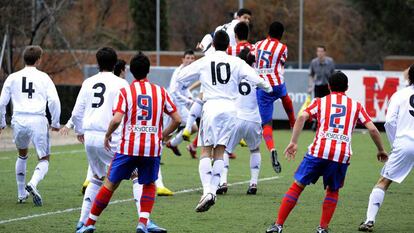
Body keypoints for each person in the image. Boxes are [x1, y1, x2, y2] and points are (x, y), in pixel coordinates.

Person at [266, 71, 388, 233]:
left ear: (329, 87)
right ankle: (322, 228)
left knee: (298, 186)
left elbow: (302, 117)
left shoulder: (321, 102)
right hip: (341, 154)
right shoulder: (356, 105)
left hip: (319, 151)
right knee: (332, 190)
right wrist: (381, 149)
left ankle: (278, 225)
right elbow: (372, 129)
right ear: (347, 87)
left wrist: (294, 142)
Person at [77, 52, 181, 233]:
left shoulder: (126, 92)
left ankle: (90, 223)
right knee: (148, 184)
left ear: (131, 71)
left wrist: (108, 134)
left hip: (128, 146)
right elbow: (177, 119)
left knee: (109, 183)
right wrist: (163, 134)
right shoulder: (161, 92)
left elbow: (117, 119)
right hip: (151, 147)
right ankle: (143, 222)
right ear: (148, 71)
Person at [176, 30, 272, 212]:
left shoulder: (205, 61)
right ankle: (212, 190)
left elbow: (182, 76)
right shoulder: (236, 61)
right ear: (228, 46)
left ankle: (207, 191)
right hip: (230, 110)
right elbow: (256, 78)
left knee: (206, 150)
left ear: (213, 45)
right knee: (220, 152)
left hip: (211, 107)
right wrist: (267, 87)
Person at [0, 45, 61, 206]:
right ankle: (32, 183)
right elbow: (54, 101)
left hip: (18, 119)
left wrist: (1, 123)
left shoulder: (12, 77)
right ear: (39, 60)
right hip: (37, 120)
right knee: (44, 158)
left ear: (24, 59)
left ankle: (21, 194)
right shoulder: (44, 77)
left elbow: (1, 102)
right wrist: (55, 122)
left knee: (22, 154)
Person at [358, 64, 414, 232]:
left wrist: (394, 144)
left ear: (409, 77)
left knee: (383, 182)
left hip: (405, 144)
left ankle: (369, 221)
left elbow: (390, 122)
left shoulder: (400, 95)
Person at [218, 47, 263, 195]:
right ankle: (253, 183)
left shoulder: (234, 73)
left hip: (236, 117)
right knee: (255, 149)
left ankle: (223, 181)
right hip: (254, 118)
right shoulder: (258, 75)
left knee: (224, 150)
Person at [254, 21, 296, 174]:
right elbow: (281, 62)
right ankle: (293, 123)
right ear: (281, 34)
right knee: (286, 99)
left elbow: (251, 57)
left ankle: (271, 148)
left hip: (262, 86)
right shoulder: (283, 48)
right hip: (277, 83)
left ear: (268, 32)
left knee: (267, 123)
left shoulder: (258, 44)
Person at [165, 49, 198, 159]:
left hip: (178, 104)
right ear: (183, 59)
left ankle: (172, 144)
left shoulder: (189, 71)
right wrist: (189, 101)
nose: (190, 60)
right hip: (173, 104)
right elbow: (174, 91)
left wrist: (189, 96)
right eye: (187, 58)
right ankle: (159, 153)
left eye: (192, 58)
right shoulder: (179, 72)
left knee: (192, 127)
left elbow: (184, 88)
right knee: (166, 132)